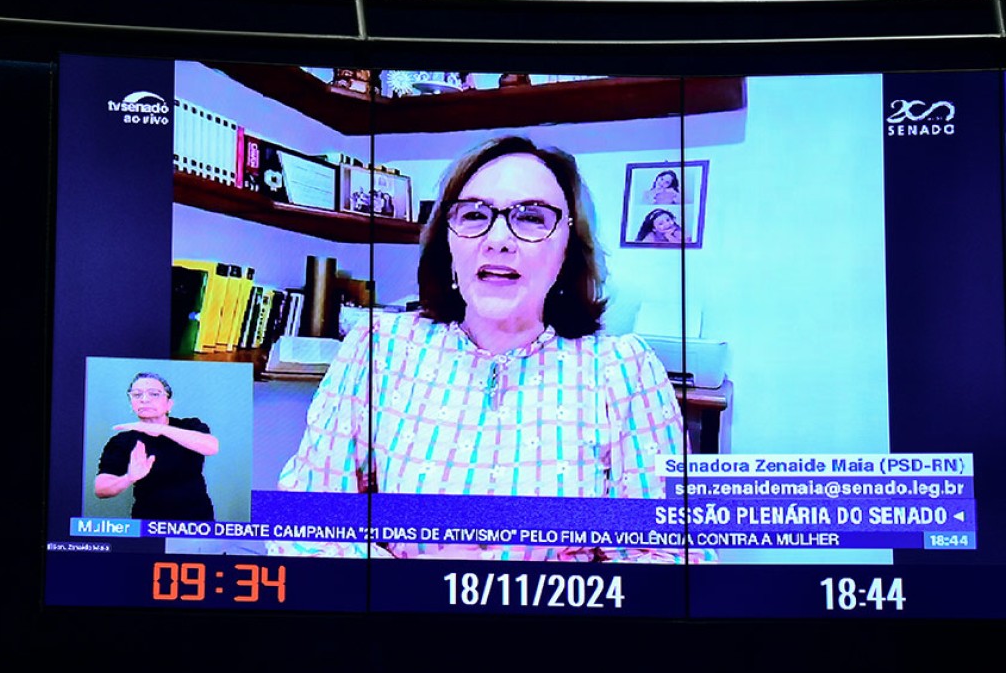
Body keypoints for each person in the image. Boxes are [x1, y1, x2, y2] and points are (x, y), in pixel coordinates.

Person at [272, 135, 712, 563]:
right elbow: (304, 525)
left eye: (532, 217)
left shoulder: (624, 371)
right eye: (473, 214)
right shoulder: (378, 350)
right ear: (448, 242)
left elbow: (676, 556)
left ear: (567, 250)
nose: (498, 239)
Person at [95, 372, 218, 520]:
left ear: (169, 404)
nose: (144, 399)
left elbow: (211, 447)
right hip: (149, 520)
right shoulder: (121, 441)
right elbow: (101, 489)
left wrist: (156, 428)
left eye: (154, 394)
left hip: (195, 518)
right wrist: (129, 478)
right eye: (137, 395)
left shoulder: (189, 426)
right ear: (131, 403)